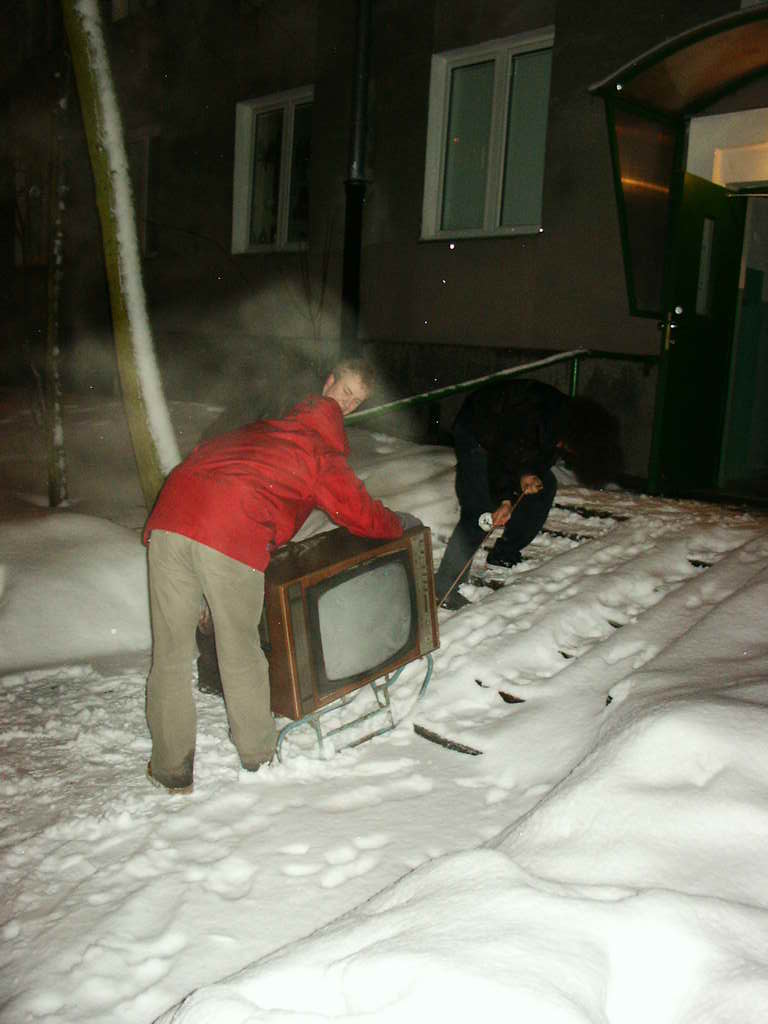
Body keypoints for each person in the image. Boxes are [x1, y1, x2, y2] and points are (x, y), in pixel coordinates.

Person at [143, 357, 406, 793]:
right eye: (346, 393)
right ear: (329, 383)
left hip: (172, 516)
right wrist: (398, 527)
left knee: (170, 651)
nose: (347, 405)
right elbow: (359, 513)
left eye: (357, 401)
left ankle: (171, 770)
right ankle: (257, 756)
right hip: (231, 528)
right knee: (240, 650)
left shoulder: (264, 428)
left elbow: (206, 459)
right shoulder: (319, 450)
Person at [434, 378, 622, 609]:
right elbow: (503, 455)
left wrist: (528, 474)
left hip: (507, 440)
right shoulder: (538, 418)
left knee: (544, 487)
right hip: (478, 430)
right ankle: (445, 587)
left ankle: (505, 553)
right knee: (480, 511)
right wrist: (505, 499)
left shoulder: (561, 425)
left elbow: (529, 454)